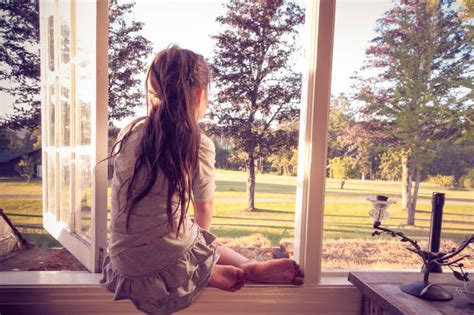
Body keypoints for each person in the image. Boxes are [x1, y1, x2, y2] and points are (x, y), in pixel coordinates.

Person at [100, 46, 304, 315]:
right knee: (198, 235)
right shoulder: (196, 144)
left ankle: (237, 265)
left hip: (124, 263)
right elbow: (204, 208)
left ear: (152, 88)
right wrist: (203, 248)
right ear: (199, 94)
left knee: (186, 231)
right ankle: (212, 270)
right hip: (167, 262)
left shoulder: (129, 131)